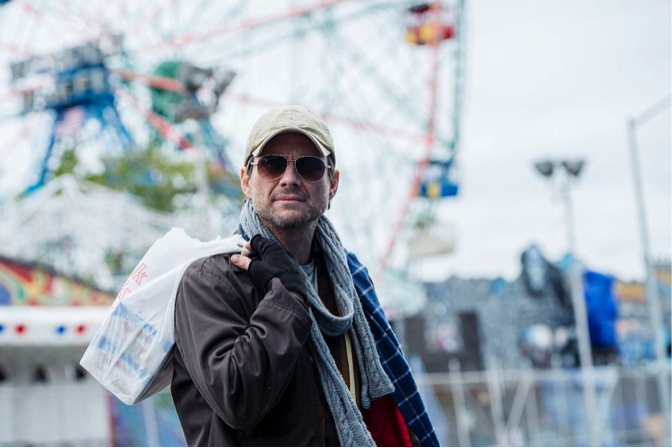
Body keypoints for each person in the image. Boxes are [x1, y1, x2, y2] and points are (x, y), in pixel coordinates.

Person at [171, 105, 439, 447]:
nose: (289, 178)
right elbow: (236, 398)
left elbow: (388, 402)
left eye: (310, 166)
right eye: (271, 163)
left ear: (333, 184)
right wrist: (288, 298)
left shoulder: (350, 278)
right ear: (245, 180)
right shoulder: (210, 279)